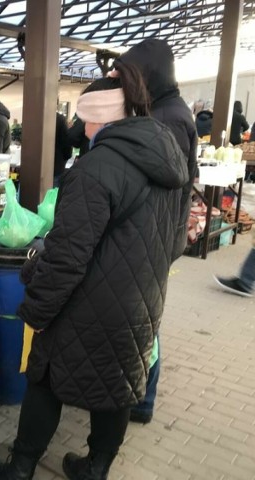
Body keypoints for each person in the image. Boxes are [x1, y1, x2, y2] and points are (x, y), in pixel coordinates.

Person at [0, 66, 188, 480]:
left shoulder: (95, 170)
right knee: (116, 387)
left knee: (45, 378)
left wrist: (37, 311)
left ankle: (20, 469)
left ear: (97, 118)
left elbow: (66, 258)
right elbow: (176, 240)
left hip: (89, 304)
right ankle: (95, 469)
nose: (79, 127)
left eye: (82, 118)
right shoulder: (169, 160)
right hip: (141, 300)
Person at [112, 38, 199, 425]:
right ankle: (140, 395)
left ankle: (143, 400)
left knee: (145, 321)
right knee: (145, 317)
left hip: (157, 237)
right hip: (160, 235)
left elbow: (161, 183)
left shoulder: (169, 118)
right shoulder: (167, 111)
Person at [53, 112, 73, 186]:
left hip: (34, 168)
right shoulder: (60, 119)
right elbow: (66, 142)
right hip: (57, 164)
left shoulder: (32, 116)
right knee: (54, 194)